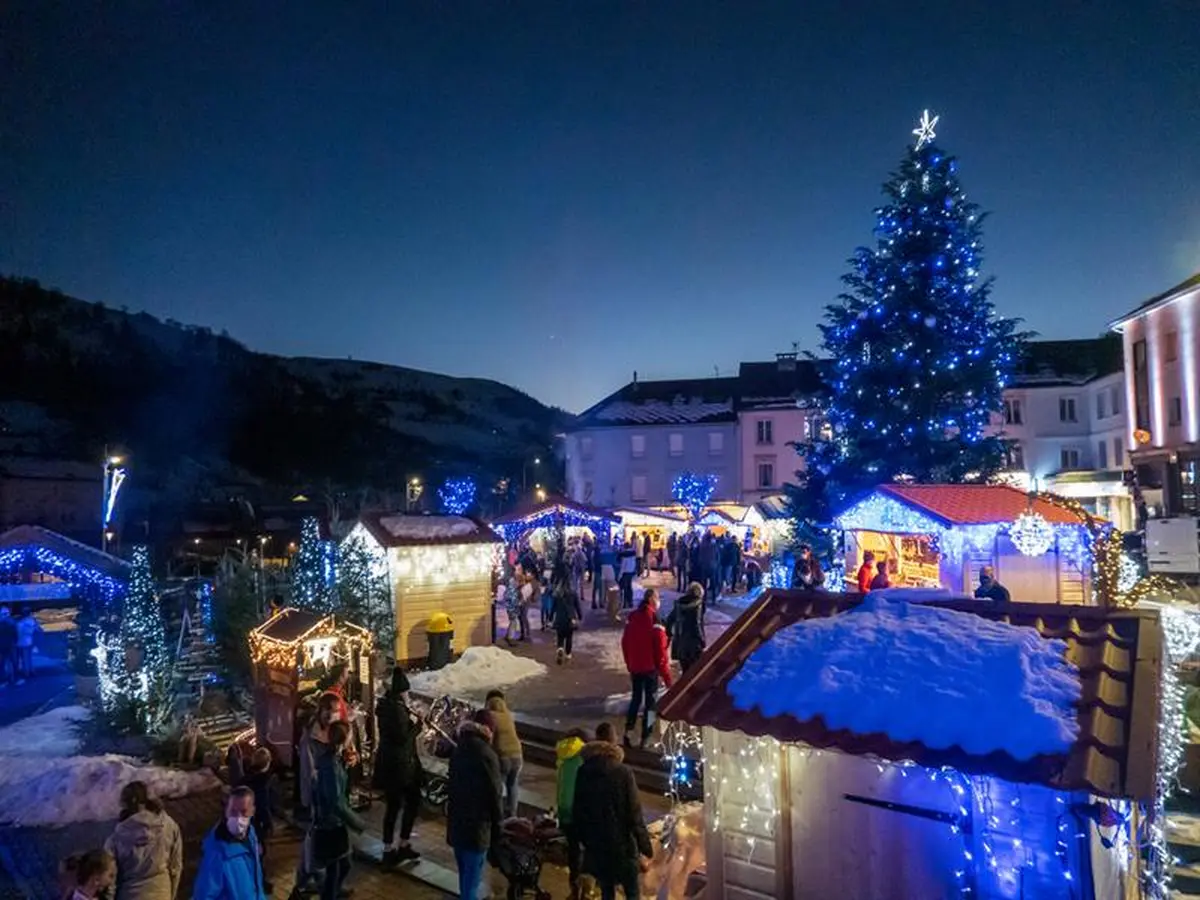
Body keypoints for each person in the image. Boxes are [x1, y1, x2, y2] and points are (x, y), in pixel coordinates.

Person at [573, 734, 653, 900]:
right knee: (632, 892)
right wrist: (645, 846)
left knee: (606, 891)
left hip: (598, 847)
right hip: (624, 846)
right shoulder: (623, 772)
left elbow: (579, 810)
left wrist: (584, 842)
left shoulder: (583, 772)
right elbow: (634, 812)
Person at [446, 709, 504, 900]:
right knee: (472, 879)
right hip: (477, 826)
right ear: (488, 730)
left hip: (457, 822)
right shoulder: (487, 754)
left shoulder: (459, 748)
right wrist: (498, 825)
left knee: (465, 875)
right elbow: (494, 794)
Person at [374, 667, 423, 867]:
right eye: (406, 692)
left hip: (390, 765)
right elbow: (403, 738)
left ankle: (389, 848)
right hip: (401, 767)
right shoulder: (398, 710)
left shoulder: (386, 707)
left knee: (393, 806)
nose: (407, 695)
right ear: (401, 692)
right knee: (410, 802)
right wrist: (418, 726)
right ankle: (402, 843)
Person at [312, 720, 366, 900]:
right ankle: (329, 894)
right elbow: (335, 801)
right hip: (330, 824)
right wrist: (356, 822)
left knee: (343, 865)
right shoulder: (330, 766)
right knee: (335, 868)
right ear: (345, 739)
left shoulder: (334, 759)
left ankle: (333, 890)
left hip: (334, 822)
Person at [105, 781, 182, 900]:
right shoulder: (169, 826)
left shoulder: (116, 838)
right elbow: (175, 867)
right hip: (162, 892)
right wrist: (171, 895)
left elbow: (110, 880)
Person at [193, 786, 267, 900]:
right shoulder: (217, 853)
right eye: (233, 812)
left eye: (243, 812)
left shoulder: (250, 834)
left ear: (252, 811)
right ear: (226, 811)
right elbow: (204, 895)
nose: (238, 818)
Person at [620, 589, 672, 749]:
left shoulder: (633, 617)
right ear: (651, 599)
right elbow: (660, 652)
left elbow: (625, 642)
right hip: (650, 669)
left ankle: (628, 731)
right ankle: (646, 735)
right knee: (651, 704)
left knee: (635, 699)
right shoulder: (655, 621)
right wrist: (667, 678)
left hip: (635, 667)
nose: (658, 601)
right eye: (657, 598)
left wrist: (629, 663)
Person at [555, 727, 589, 897]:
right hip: (578, 809)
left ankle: (574, 886)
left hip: (564, 807)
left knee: (573, 849)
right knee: (585, 849)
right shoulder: (583, 757)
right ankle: (583, 887)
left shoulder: (562, 754)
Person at [241, 748, 278, 894]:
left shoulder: (244, 780)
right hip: (255, 825)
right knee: (258, 853)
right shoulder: (262, 783)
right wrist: (268, 823)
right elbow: (263, 806)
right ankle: (258, 883)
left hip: (242, 823)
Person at [485, 689, 524, 819]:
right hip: (517, 755)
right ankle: (512, 814)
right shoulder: (508, 715)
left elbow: (488, 737)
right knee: (512, 785)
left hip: (503, 756)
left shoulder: (490, 716)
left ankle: (497, 814)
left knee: (498, 786)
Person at [665, 583, 706, 675]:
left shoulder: (679, 605)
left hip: (680, 644)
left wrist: (670, 634)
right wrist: (702, 641)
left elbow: (669, 620)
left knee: (685, 671)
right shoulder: (697, 605)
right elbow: (697, 625)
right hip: (694, 645)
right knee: (695, 672)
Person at [552, 567, 584, 664]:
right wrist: (580, 616)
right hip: (570, 618)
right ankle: (568, 654)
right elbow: (577, 606)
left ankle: (560, 648)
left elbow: (553, 607)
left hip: (559, 618)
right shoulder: (573, 593)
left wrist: (550, 617)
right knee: (569, 637)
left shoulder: (557, 593)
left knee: (560, 636)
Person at [15, 606, 40, 683]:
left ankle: (26, 672)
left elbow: (17, 632)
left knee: (24, 658)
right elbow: (37, 630)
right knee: (29, 657)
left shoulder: (20, 623)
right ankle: (30, 671)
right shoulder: (32, 621)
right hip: (29, 641)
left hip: (20, 642)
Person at [0, 606, 16, 688]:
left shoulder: (10, 623)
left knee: (5, 663)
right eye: (4, 614)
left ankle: (6, 680)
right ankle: (10, 679)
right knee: (8, 663)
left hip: (5, 646)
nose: (6, 615)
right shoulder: (11, 623)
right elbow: (15, 635)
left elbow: (15, 635)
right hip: (8, 645)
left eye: (6, 613)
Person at [618, 542, 637, 610]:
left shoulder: (624, 554)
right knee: (629, 587)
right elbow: (634, 563)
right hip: (631, 572)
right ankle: (630, 602)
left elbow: (623, 566)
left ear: (625, 547)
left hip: (625, 573)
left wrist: (619, 576)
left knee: (625, 588)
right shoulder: (633, 554)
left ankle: (625, 603)